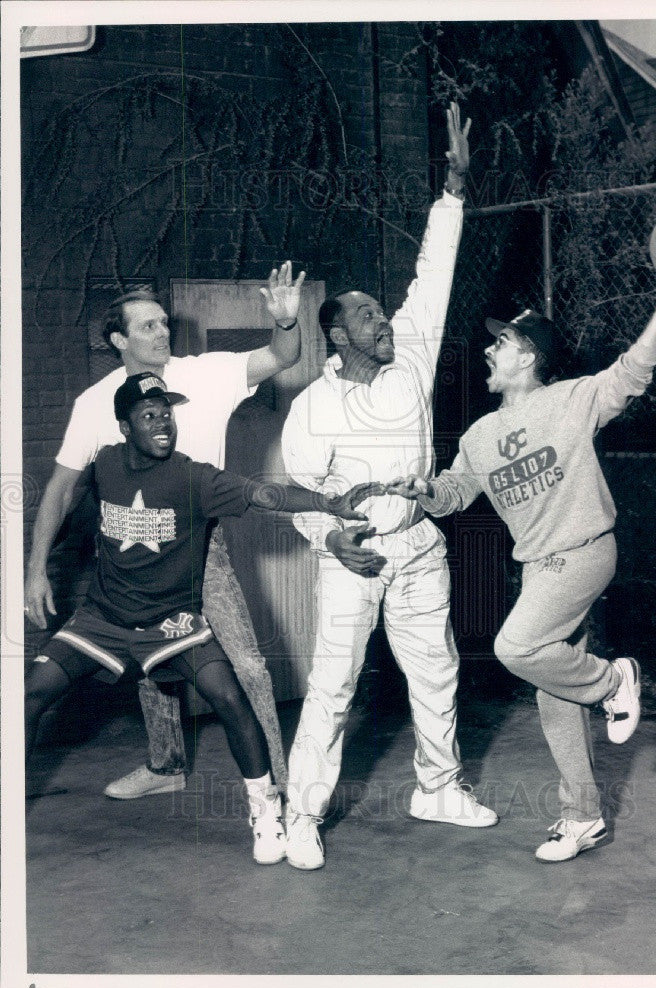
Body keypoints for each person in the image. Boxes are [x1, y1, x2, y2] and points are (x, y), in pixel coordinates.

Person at [388, 280, 656, 862]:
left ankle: (615, 680)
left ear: (530, 356)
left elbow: (631, 373)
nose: (489, 351)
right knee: (552, 693)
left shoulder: (571, 399)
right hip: (539, 568)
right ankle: (582, 816)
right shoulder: (479, 436)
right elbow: (455, 493)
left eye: (502, 342)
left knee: (516, 646)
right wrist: (424, 490)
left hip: (586, 550)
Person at [25, 373, 380, 863]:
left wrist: (325, 502)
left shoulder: (193, 477)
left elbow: (265, 496)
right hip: (102, 619)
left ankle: (265, 813)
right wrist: (38, 570)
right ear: (124, 428)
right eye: (149, 416)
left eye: (167, 413)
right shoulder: (105, 464)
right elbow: (74, 511)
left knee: (230, 695)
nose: (163, 423)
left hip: (170, 623)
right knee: (31, 694)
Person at [280, 102, 498, 871]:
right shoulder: (312, 406)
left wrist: (456, 182)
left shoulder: (411, 360)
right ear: (336, 334)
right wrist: (328, 538)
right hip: (352, 560)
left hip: (418, 549)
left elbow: (433, 268)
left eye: (382, 311)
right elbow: (302, 493)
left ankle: (438, 787)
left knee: (437, 669)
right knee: (333, 687)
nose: (384, 320)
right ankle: (301, 815)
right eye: (368, 314)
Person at [24, 263, 305, 798]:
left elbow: (281, 357)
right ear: (118, 339)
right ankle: (167, 766)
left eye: (162, 322)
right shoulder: (95, 403)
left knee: (244, 663)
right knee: (150, 661)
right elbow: (60, 489)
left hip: (203, 542)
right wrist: (35, 570)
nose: (163, 331)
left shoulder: (206, 373)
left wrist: (286, 322)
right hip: (131, 541)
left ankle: (281, 784)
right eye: (148, 325)